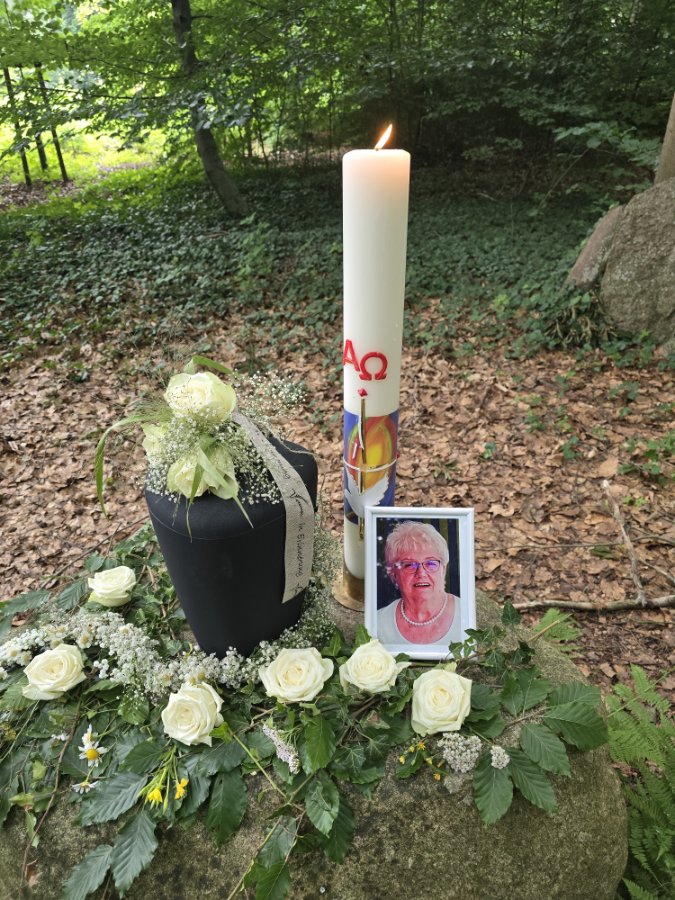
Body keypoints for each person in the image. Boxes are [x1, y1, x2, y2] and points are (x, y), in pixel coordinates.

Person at [377, 521, 462, 646]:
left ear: (443, 570)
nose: (421, 573)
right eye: (409, 565)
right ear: (394, 574)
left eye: (431, 563)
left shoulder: (466, 614)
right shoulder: (379, 623)